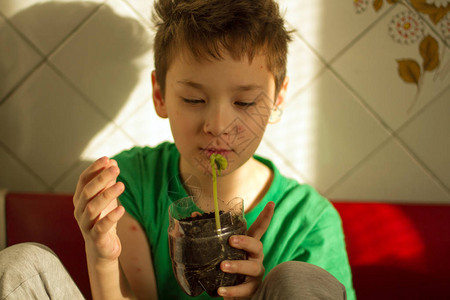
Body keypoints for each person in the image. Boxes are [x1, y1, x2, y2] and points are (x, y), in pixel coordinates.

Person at [1, 0, 355, 299]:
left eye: (245, 102)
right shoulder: (132, 183)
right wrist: (102, 258)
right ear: (160, 95)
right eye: (194, 99)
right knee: (22, 266)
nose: (217, 125)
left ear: (278, 99)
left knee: (295, 279)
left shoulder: (309, 222)